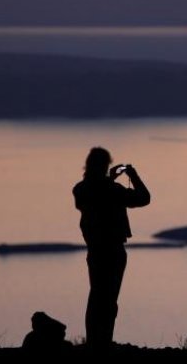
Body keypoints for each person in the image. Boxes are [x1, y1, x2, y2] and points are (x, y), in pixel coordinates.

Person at [73, 147, 151, 351]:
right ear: (105, 166)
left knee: (97, 296)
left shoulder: (80, 189)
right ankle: (102, 343)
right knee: (108, 300)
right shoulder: (112, 191)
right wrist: (132, 175)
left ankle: (94, 342)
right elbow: (144, 198)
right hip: (113, 251)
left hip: (95, 251)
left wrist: (110, 179)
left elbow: (91, 193)